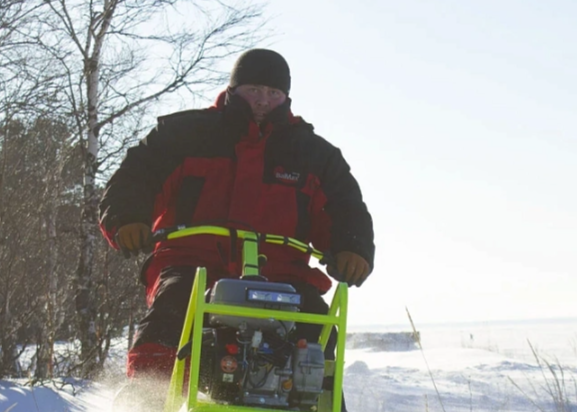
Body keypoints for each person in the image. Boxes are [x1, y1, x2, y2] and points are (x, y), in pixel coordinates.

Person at [99, 49, 374, 390]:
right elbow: (135, 178)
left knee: (314, 328)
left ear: (286, 97)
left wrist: (353, 248)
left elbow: (345, 206)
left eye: (273, 94)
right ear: (234, 89)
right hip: (193, 264)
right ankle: (148, 409)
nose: (263, 101)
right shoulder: (184, 135)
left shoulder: (315, 155)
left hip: (282, 275)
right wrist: (128, 220)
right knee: (171, 316)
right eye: (254, 91)